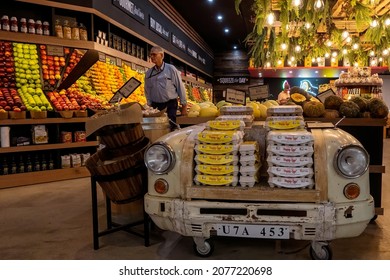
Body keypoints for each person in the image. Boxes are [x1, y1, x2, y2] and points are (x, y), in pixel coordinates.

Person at [144, 46, 187, 130]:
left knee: (171, 126)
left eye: (154, 55)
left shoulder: (171, 69)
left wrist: (184, 106)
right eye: (151, 55)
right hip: (155, 107)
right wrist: (149, 104)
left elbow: (180, 86)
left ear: (162, 55)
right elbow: (147, 89)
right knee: (158, 128)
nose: (152, 57)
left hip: (170, 104)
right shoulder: (149, 73)